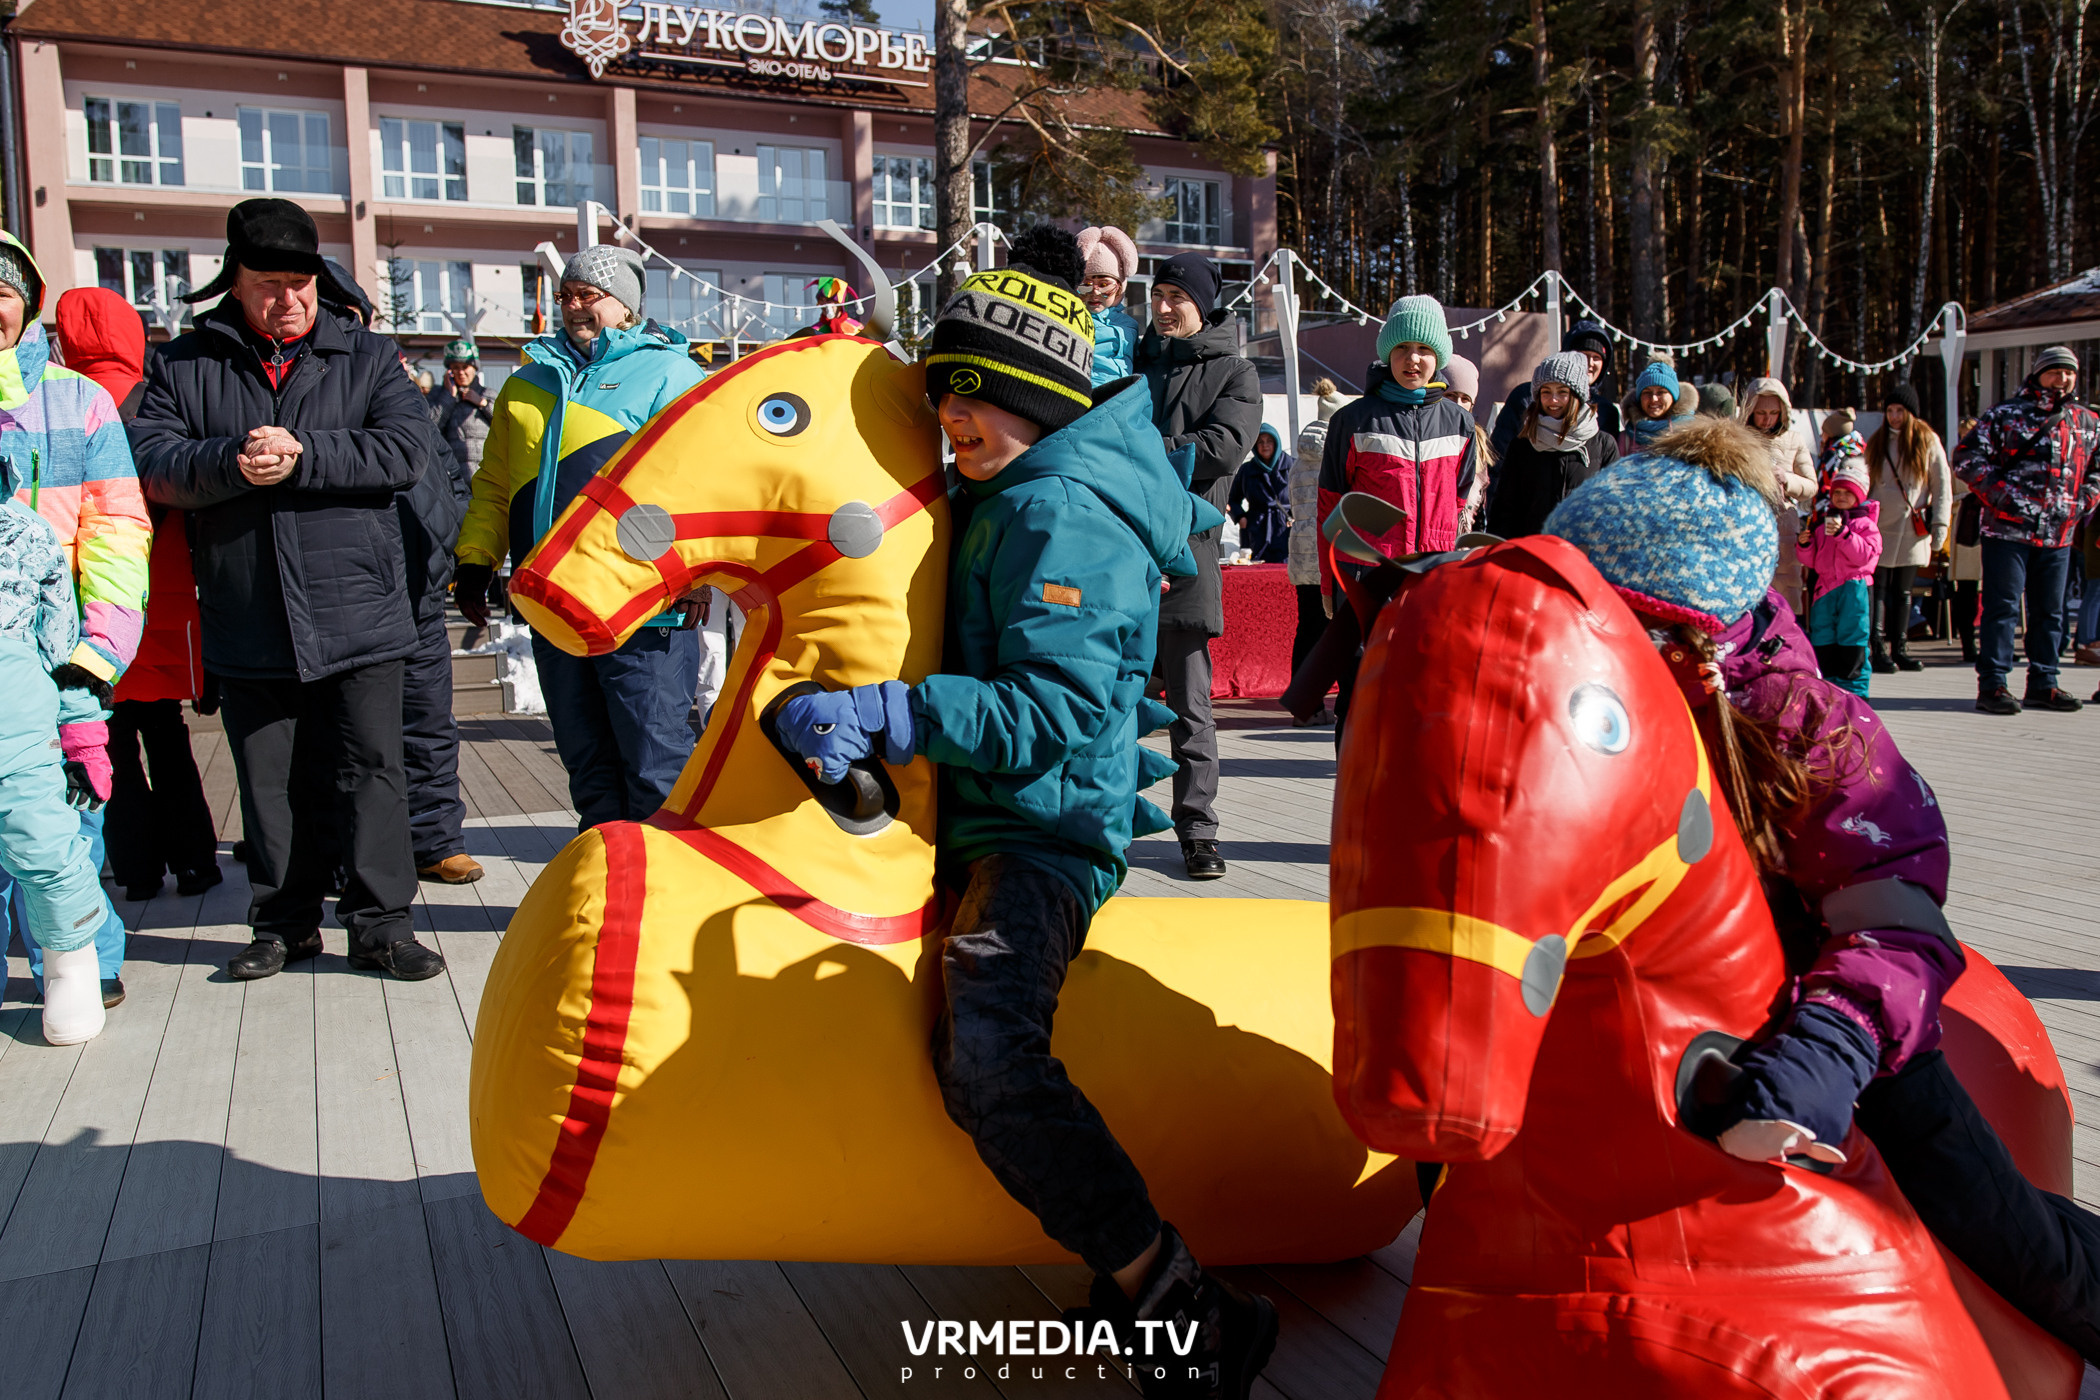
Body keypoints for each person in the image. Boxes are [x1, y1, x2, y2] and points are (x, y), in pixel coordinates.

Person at [775, 225, 1277, 1399]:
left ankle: (1179, 1297)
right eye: (943, 400)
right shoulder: (1009, 484)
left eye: (976, 400)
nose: (954, 419)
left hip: (1046, 832)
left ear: (1042, 399)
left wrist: (896, 712)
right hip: (990, 813)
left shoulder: (1068, 514)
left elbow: (1053, 709)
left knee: (991, 1052)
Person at [1544, 416, 2100, 1367]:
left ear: (1687, 627)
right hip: (1648, 1025)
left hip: (1824, 1026)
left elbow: (1895, 914)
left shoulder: (1801, 722)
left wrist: (1829, 1048)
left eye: (1612, 622)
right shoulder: (1579, 704)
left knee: (1998, 1230)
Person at [130, 198, 446, 983]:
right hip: (247, 608)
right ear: (234, 283)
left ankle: (381, 924)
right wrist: (231, 462)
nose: (288, 299)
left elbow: (407, 450)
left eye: (300, 283)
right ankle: (283, 924)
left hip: (360, 607)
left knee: (373, 770)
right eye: (269, 284)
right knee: (269, 781)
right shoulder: (183, 363)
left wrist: (306, 453)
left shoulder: (365, 355)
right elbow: (154, 462)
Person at [454, 244, 706, 828]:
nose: (573, 306)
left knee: (655, 760)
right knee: (586, 759)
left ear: (625, 305)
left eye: (587, 295)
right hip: (555, 603)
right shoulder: (526, 383)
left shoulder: (672, 374)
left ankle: (665, 880)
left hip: (644, 605)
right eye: (566, 295)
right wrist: (475, 559)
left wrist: (694, 573)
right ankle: (606, 871)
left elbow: (703, 484)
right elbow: (495, 484)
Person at [0, 233, 149, 1012]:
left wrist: (101, 647)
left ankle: (82, 960)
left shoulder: (77, 401)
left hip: (55, 652)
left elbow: (117, 527)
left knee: (66, 814)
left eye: (1, 292)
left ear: (26, 301)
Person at [52, 286, 221, 905]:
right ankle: (197, 863)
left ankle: (137, 870)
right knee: (167, 733)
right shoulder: (154, 398)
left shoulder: (61, 401)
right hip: (163, 595)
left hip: (89, 595)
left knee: (110, 736)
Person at [1135, 252, 1261, 881]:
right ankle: (1098, 823)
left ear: (1203, 306)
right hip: (1120, 554)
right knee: (1106, 701)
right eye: (1157, 295)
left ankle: (1198, 832)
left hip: (1188, 555)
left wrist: (1139, 448)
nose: (1163, 308)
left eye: (1176, 298)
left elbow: (1223, 448)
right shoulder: (1132, 364)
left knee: (1189, 707)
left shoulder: (1235, 372)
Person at [0, 448, 119, 1045]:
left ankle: (71, 966)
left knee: (46, 849)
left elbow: (60, 641)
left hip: (18, 732)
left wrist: (83, 733)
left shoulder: (22, 532)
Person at [1317, 295, 1478, 728]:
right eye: (1403, 348)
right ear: (1387, 353)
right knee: (1361, 695)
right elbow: (1330, 504)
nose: (1413, 359)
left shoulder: (1459, 423)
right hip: (1365, 576)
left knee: (1424, 693)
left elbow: (1458, 503)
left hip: (1431, 578)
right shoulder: (1353, 420)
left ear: (1439, 357)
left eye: (1424, 349)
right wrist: (1330, 583)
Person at [1953, 345, 2100, 715]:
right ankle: (1993, 684)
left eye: (2069, 373)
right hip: (2007, 532)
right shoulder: (2006, 414)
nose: (2062, 379)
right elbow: (1967, 458)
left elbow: (2097, 467)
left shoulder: (2087, 421)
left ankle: (2043, 683)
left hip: (2058, 534)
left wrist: (2083, 502)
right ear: (2038, 374)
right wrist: (2003, 498)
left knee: (2050, 611)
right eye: (2054, 371)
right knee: (2002, 608)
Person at [1483, 350, 1618, 539]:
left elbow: (1614, 508)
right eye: (1546, 392)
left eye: (1562, 392)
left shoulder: (1603, 445)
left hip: (1583, 551)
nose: (1553, 400)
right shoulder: (1522, 446)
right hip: (1531, 550)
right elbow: (1504, 512)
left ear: (1577, 396)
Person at [1866, 384, 1952, 675]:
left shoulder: (1927, 441)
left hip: (1912, 528)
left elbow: (1942, 485)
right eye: (1890, 410)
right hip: (1880, 526)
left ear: (1911, 413)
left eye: (1899, 410)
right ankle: (1877, 647)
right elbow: (1866, 481)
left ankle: (1900, 648)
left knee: (1904, 591)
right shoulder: (1877, 441)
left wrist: (1940, 525)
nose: (1894, 416)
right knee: (1878, 589)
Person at [1286, 380, 1346, 728]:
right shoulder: (1337, 451)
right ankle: (1338, 703)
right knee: (1338, 631)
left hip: (1301, 551)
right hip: (1330, 549)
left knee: (1307, 628)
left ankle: (1304, 705)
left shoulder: (1299, 458)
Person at [1796, 459, 1881, 697]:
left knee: (1853, 638)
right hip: (1825, 589)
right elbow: (1814, 561)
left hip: (1854, 587)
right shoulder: (1824, 523)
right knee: (1823, 637)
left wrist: (1845, 535)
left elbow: (1864, 556)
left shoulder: (1866, 525)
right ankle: (1829, 690)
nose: (1841, 497)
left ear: (1859, 496)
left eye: (1848, 493)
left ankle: (1855, 694)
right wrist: (1805, 545)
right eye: (1837, 492)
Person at [1488, 318, 1621, 461]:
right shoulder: (1525, 397)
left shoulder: (1607, 411)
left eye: (1596, 357)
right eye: (1583, 355)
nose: (1589, 363)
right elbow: (1499, 453)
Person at [1737, 376, 1818, 610]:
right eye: (1761, 413)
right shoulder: (1737, 439)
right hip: (1747, 524)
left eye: (1773, 413)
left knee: (1786, 596)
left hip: (1784, 526)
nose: (1767, 419)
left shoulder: (1794, 439)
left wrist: (1788, 479)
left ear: (1783, 411)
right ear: (1750, 411)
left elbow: (1811, 485)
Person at [1076, 225, 1140, 386]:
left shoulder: (1130, 325)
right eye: (1086, 285)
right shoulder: (1073, 319)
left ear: (1120, 287)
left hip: (1123, 395)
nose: (1095, 292)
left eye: (1104, 285)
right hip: (1086, 394)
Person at [1442, 354, 1494, 533]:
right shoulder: (1427, 436)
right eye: (1450, 395)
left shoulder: (1478, 443)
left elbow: (1480, 507)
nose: (1457, 404)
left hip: (1464, 539)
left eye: (1465, 399)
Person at [427, 338, 493, 475]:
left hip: (486, 474)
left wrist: (483, 403)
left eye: (465, 367)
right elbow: (429, 427)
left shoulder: (488, 394)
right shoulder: (437, 396)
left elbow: (505, 423)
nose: (461, 372)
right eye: (456, 367)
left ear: (475, 368)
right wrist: (448, 397)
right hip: (452, 475)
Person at [1228, 425, 1291, 562]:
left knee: (1288, 568)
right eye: (1260, 442)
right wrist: (1240, 517)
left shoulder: (1291, 466)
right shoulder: (1246, 470)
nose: (1265, 445)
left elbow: (1304, 497)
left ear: (1276, 443)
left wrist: (1297, 517)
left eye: (1269, 441)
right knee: (1258, 568)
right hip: (1257, 529)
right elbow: (1231, 499)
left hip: (1286, 529)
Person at [1950, 415, 1983, 664]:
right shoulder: (1957, 457)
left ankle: (1992, 644)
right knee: (1966, 591)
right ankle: (1968, 644)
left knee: (1992, 591)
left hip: (1988, 526)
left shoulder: (1991, 456)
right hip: (1965, 527)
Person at [1617, 357, 1695, 454]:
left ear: (1673, 396)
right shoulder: (1626, 438)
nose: (1654, 399)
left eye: (1661, 392)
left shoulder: (1690, 434)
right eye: (1647, 392)